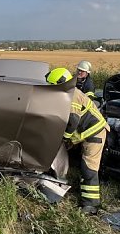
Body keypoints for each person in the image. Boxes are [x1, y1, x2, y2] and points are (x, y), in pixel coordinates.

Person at [46, 67, 109, 214]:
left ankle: (91, 205)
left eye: (53, 85)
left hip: (94, 133)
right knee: (80, 164)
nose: (51, 88)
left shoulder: (72, 95)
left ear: (61, 83)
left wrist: (65, 138)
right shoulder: (68, 93)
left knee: (89, 168)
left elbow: (73, 120)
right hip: (85, 132)